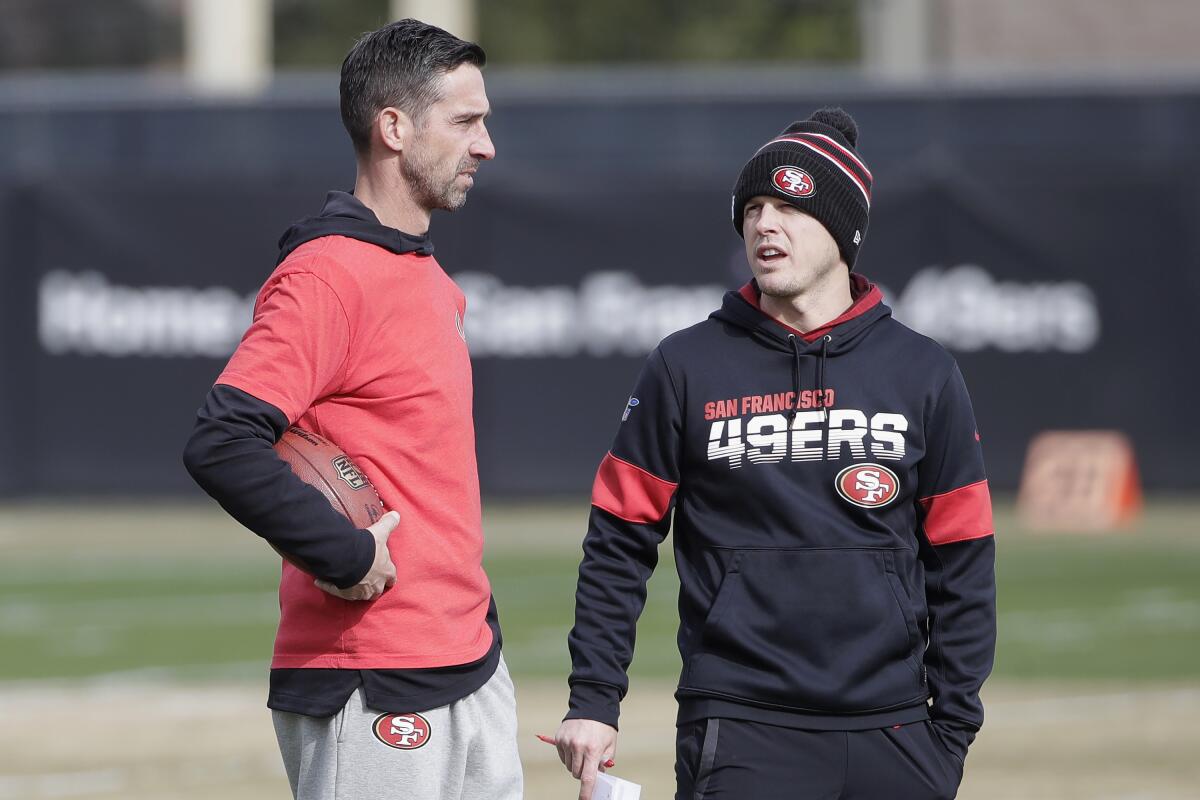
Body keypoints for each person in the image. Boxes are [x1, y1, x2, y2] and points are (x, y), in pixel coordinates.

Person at [554, 107, 996, 799]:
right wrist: (594, 699)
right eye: (754, 207)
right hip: (740, 726)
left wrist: (952, 731)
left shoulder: (923, 371)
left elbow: (963, 557)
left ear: (845, 230)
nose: (766, 224)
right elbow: (617, 543)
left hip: (898, 734)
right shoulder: (684, 365)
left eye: (792, 207)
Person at [182, 19, 522, 800]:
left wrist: (482, 629)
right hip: (370, 677)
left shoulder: (430, 279)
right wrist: (343, 554)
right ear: (394, 128)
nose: (486, 145)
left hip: (469, 663)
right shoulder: (328, 274)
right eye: (466, 121)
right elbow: (221, 440)